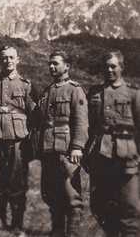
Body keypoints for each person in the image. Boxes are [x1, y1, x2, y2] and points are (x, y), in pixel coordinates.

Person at [0, 46, 34, 236]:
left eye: (11, 57)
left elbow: (33, 113)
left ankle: (17, 224)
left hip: (17, 138)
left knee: (17, 181)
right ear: (0, 60)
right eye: (4, 58)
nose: (8, 61)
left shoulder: (26, 85)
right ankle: (0, 219)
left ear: (18, 59)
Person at [86, 51, 140, 237]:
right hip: (100, 157)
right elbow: (90, 127)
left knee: (129, 207)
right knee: (100, 206)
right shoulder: (94, 93)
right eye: (106, 66)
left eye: (113, 66)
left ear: (122, 67)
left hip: (126, 159)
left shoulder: (133, 94)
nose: (109, 70)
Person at [36, 50, 88, 237]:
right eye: (50, 63)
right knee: (51, 193)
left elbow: (81, 121)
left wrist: (77, 147)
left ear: (67, 66)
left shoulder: (75, 90)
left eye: (56, 63)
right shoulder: (48, 90)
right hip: (48, 148)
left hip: (66, 149)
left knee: (71, 194)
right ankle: (57, 232)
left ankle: (72, 234)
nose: (51, 66)